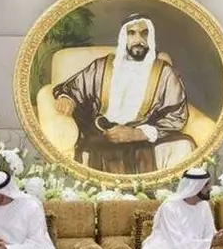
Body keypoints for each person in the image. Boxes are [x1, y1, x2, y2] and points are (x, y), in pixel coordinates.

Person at [52, 13, 194, 174]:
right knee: (93, 150)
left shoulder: (165, 72)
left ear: (151, 37)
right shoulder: (102, 66)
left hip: (145, 135)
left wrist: (137, 134)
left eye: (144, 33)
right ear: (123, 37)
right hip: (105, 133)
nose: (138, 39)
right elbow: (75, 88)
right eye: (131, 33)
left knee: (183, 145)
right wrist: (67, 99)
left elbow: (177, 115)